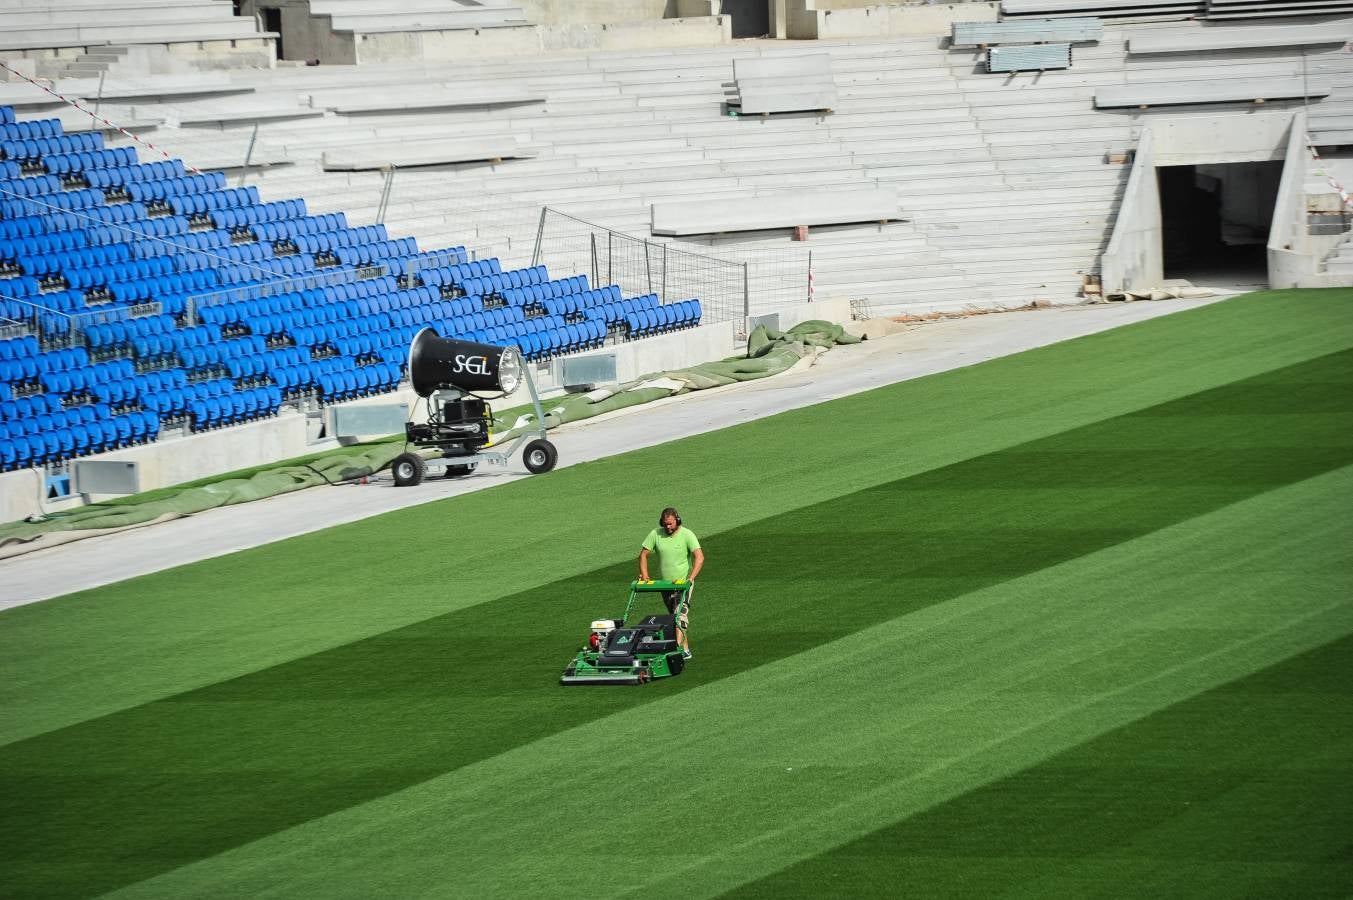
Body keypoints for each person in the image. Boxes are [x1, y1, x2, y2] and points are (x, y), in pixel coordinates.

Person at [638, 507, 704, 659]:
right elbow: (643, 555)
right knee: (674, 619)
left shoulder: (687, 534)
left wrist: (691, 578)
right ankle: (686, 650)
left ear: (677, 520)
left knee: (680, 615)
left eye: (670, 524)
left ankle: (676, 649)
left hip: (683, 584)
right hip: (665, 585)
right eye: (665, 524)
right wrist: (646, 576)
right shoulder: (656, 534)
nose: (668, 527)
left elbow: (699, 557)